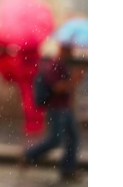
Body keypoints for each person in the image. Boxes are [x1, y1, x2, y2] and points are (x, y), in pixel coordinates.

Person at [21, 41, 83, 181]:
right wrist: (74, 80)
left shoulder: (63, 65)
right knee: (56, 139)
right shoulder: (55, 65)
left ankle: (68, 169)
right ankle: (29, 155)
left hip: (65, 108)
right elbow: (57, 88)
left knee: (73, 137)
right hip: (57, 108)